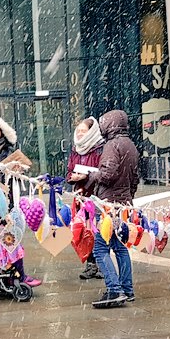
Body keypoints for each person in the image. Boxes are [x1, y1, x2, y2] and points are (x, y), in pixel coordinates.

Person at [83, 110, 139, 308]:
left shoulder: (111, 145)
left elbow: (107, 175)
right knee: (121, 247)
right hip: (124, 203)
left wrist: (90, 176)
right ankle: (127, 289)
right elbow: (135, 177)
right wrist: (128, 196)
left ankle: (114, 290)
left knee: (100, 249)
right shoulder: (130, 145)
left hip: (108, 204)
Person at [66, 117, 104, 279]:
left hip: (96, 195)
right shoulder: (76, 149)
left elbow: (103, 172)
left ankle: (102, 265)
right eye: (78, 131)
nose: (80, 134)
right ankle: (90, 264)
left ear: (92, 132)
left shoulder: (99, 148)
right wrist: (72, 177)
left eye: (84, 131)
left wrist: (87, 176)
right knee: (84, 231)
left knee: (98, 231)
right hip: (80, 195)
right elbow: (68, 171)